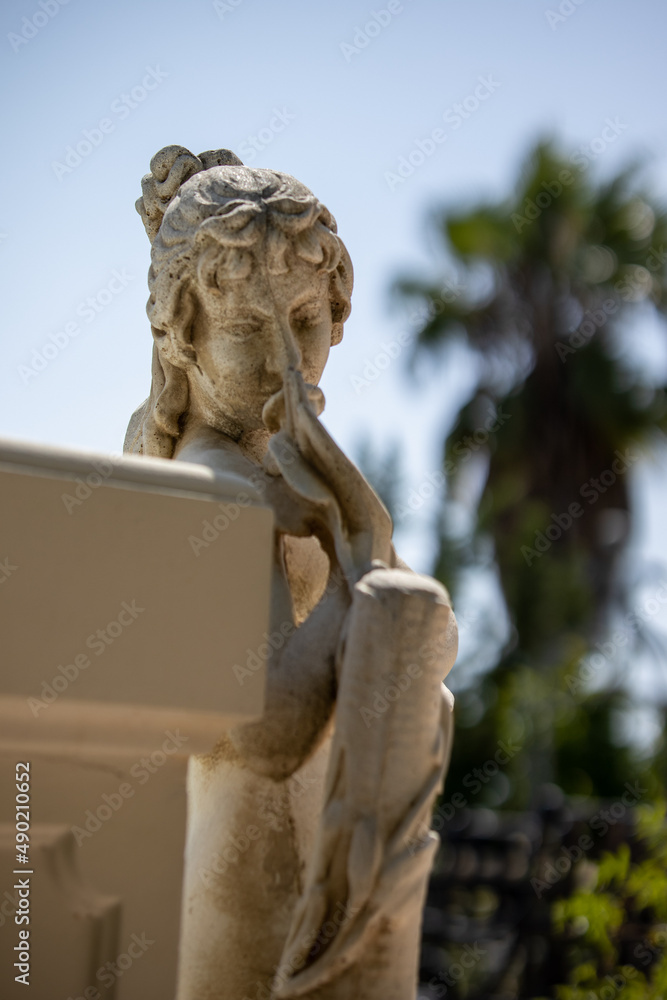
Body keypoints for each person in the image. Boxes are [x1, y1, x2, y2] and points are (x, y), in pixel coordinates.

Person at [125, 145, 457, 1000]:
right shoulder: (214, 490)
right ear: (183, 336)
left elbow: (432, 637)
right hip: (250, 893)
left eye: (306, 320)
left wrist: (360, 538)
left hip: (327, 862)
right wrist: (359, 555)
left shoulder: (291, 477)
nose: (288, 360)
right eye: (245, 331)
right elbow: (264, 731)